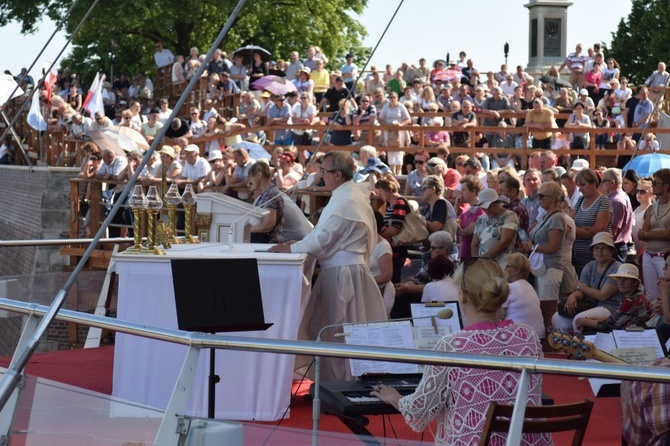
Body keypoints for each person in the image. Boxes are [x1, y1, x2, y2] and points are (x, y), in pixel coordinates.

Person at [371, 257, 549, 446]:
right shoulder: (527, 336)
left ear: (462, 296)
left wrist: (394, 397)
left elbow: (419, 410)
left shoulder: (453, 345)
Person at [268, 152, 386, 381]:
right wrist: (299, 243)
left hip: (343, 275)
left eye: (324, 171)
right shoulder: (349, 195)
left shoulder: (347, 200)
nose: (321, 176)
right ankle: (337, 381)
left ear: (338, 174)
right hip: (346, 271)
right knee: (335, 328)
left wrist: (292, 249)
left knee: (337, 330)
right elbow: (326, 233)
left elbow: (324, 239)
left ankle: (341, 383)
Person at [551, 232, 621, 332]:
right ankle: (567, 346)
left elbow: (603, 296)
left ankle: (583, 346)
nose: (599, 252)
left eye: (604, 248)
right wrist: (573, 296)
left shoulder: (617, 268)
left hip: (610, 307)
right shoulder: (590, 266)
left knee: (578, 320)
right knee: (556, 318)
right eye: (596, 248)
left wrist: (579, 286)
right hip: (590, 304)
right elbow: (582, 292)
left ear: (611, 251)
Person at [524, 182, 567, 328]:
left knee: (548, 308)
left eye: (541, 196)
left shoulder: (557, 218)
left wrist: (532, 247)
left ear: (553, 198)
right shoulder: (546, 216)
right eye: (538, 195)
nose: (538, 199)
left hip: (550, 268)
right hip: (542, 268)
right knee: (542, 307)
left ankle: (553, 342)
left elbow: (553, 246)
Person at [393, 231, 455, 318]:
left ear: (444, 250)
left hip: (442, 304)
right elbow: (418, 279)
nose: (430, 250)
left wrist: (408, 288)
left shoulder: (452, 265)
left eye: (433, 248)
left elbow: (435, 287)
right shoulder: (431, 263)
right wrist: (404, 286)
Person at [576, 263, 650, 332]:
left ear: (635, 282)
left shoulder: (631, 300)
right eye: (619, 278)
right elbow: (613, 320)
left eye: (626, 279)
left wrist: (583, 321)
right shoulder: (639, 295)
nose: (621, 282)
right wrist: (589, 319)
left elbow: (608, 325)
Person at [638, 168, 670, 317]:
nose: (653, 186)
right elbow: (641, 235)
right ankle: (653, 326)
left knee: (665, 296)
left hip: (665, 256)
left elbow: (667, 234)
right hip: (648, 255)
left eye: (656, 183)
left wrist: (648, 234)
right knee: (650, 296)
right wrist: (649, 234)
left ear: (666, 186)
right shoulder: (652, 208)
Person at [570, 169, 613, 275]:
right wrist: (584, 231)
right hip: (577, 257)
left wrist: (575, 230)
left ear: (593, 183)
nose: (580, 189)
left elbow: (598, 230)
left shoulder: (604, 201)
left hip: (597, 258)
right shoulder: (580, 200)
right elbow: (569, 223)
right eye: (579, 186)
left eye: (583, 185)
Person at [376, 175, 411, 284]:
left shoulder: (399, 202)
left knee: (394, 279)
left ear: (389, 190)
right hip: (393, 246)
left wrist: (377, 234)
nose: (379, 194)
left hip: (398, 249)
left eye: (381, 191)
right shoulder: (391, 204)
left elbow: (395, 228)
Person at [502, 253, 545, 339]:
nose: (504, 269)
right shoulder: (529, 287)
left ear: (517, 270)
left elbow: (498, 314)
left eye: (507, 266)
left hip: (521, 337)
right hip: (538, 335)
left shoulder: (511, 288)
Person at [472, 189, 519, 266]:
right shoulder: (481, 219)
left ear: (497, 203)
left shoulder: (510, 216)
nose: (487, 210)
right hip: (483, 266)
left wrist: (482, 259)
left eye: (490, 207)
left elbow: (504, 242)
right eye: (483, 208)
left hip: (502, 265)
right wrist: (476, 261)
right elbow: (474, 244)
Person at [601, 168, 634, 263]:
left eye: (603, 181)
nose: (601, 183)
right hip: (616, 247)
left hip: (614, 248)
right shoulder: (620, 197)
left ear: (612, 182)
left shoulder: (616, 200)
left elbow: (612, 231)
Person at [247, 161, 284, 243]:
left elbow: (269, 224)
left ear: (259, 175)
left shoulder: (271, 194)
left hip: (269, 244)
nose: (249, 182)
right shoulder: (266, 193)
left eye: (251, 177)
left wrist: (248, 229)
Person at [370, 210, 395, 317]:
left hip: (381, 291)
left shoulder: (382, 246)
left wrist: (363, 282)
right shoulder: (360, 243)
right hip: (366, 291)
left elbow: (387, 276)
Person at [456, 175, 485, 260]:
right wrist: (456, 206)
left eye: (463, 190)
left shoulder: (481, 210)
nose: (461, 193)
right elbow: (454, 222)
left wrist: (458, 230)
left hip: (473, 255)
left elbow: (469, 231)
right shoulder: (466, 210)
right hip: (463, 252)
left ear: (473, 191)